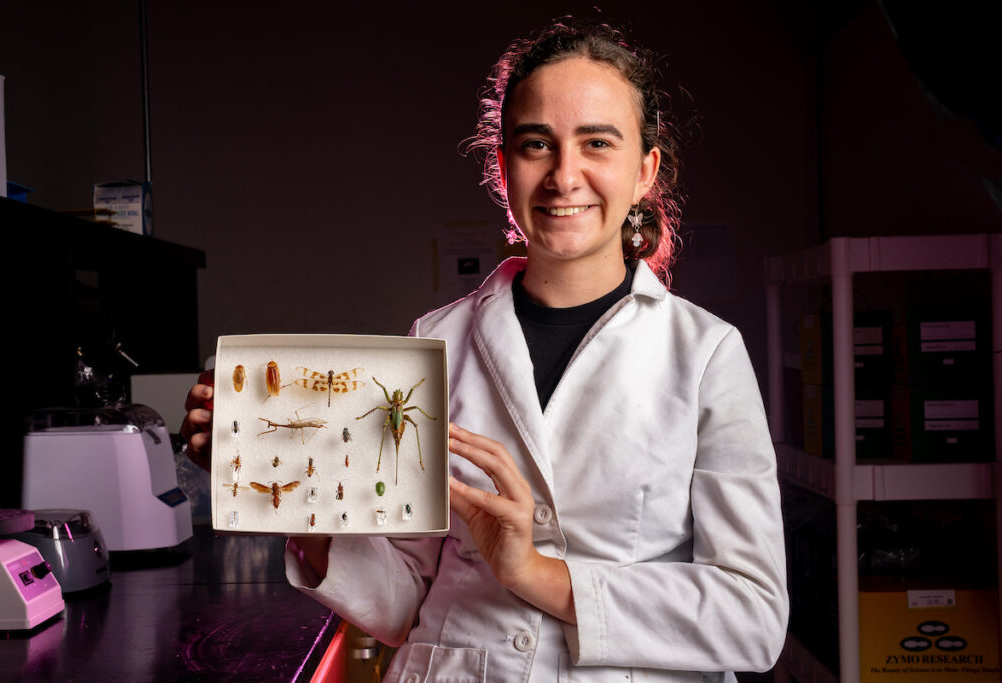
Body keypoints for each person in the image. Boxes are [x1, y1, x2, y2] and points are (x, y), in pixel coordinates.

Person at [182, 19, 788, 682]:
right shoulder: (434, 341)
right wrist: (287, 483)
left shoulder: (706, 354)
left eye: (597, 143)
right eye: (537, 144)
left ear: (645, 169)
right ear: (504, 169)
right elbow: (402, 599)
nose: (565, 174)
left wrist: (532, 571)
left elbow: (750, 617)